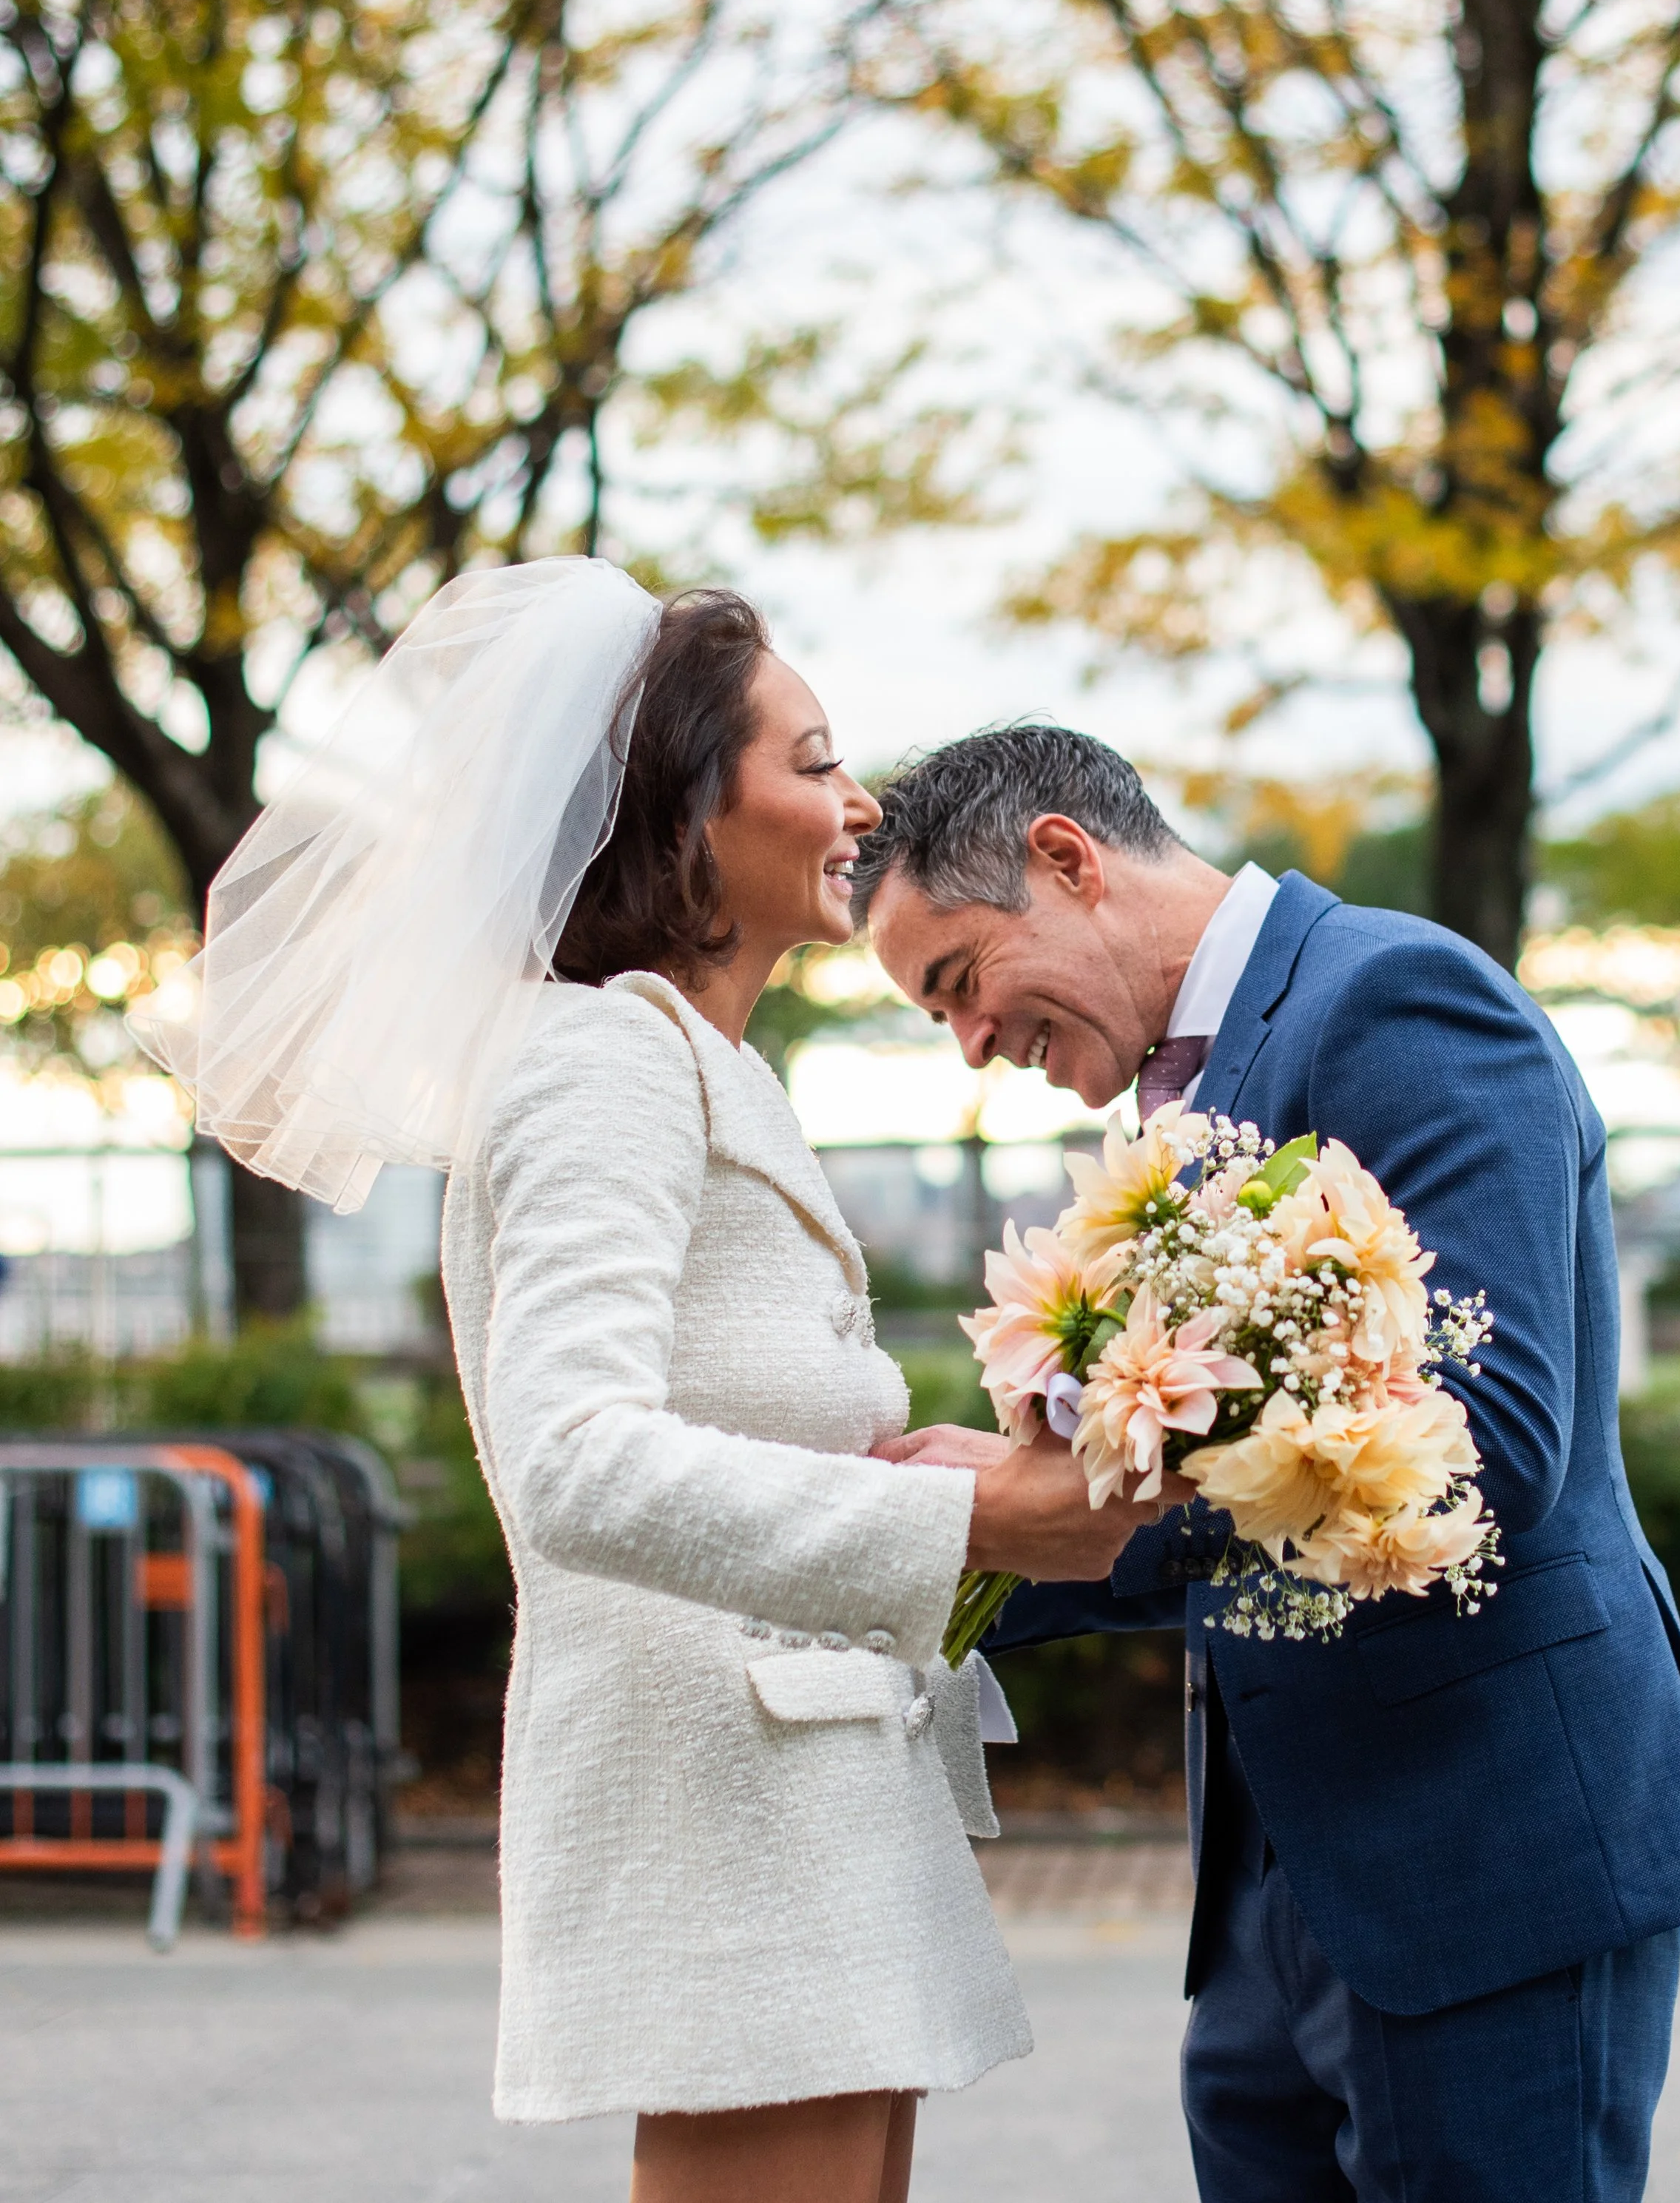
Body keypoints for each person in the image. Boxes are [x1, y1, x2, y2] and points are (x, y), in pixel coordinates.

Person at [134, 564, 1181, 2203]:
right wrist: (966, 1510)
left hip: (810, 1803)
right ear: (686, 808)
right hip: (725, 1821)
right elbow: (571, 1457)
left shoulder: (700, 1064)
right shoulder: (600, 1057)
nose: (861, 801)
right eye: (815, 760)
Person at [857, 723, 1680, 2203]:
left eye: (956, 980)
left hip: (1481, 1856)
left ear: (1064, 859)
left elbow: (1485, 1445)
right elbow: (1201, 1470)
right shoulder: (1176, 1090)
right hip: (1276, 1893)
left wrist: (1044, 1511)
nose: (966, 1042)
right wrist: (934, 1540)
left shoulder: (1394, 998)